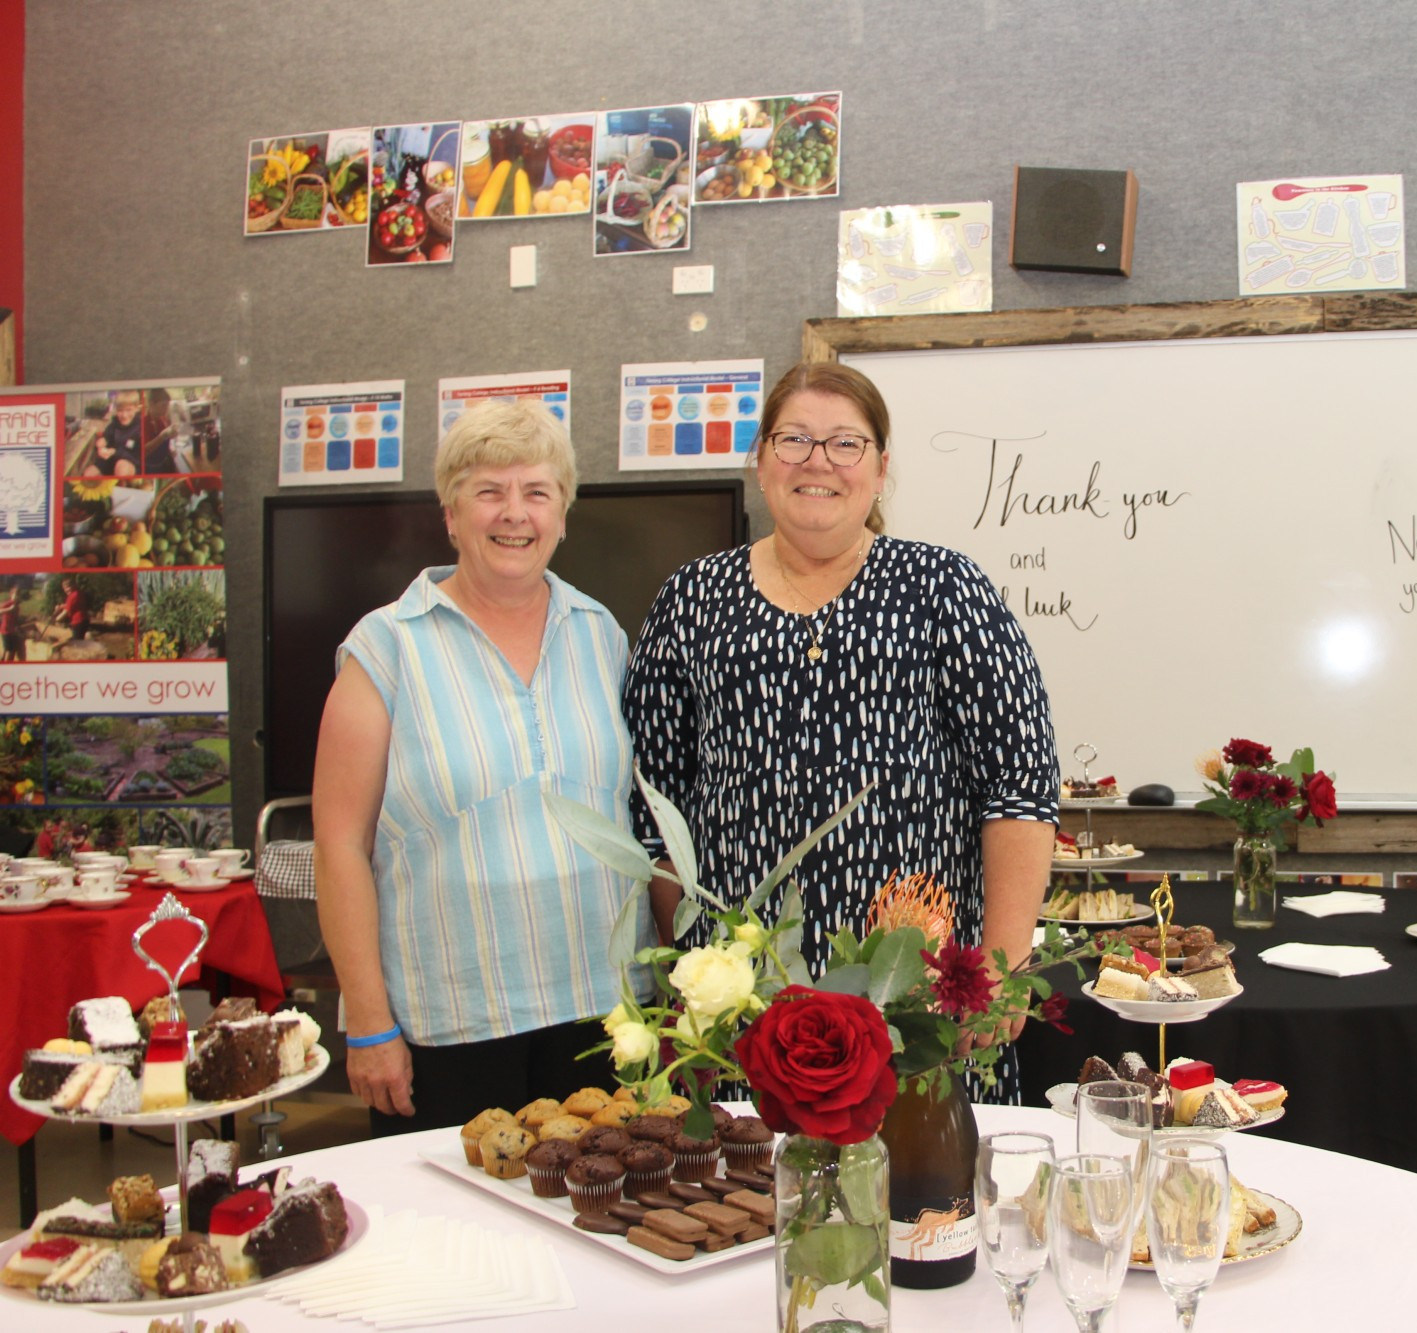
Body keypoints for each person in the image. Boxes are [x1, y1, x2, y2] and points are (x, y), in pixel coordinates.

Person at [622, 362, 1058, 1100]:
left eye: (845, 443)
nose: (817, 460)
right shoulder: (691, 600)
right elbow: (655, 799)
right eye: (794, 439)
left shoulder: (945, 589)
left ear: (882, 469)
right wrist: (695, 960)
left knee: (923, 1205)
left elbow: (1019, 785)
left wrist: (1001, 963)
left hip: (916, 998)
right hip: (750, 1006)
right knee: (751, 1206)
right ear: (760, 461)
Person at [313, 400, 659, 1134]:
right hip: (449, 1024)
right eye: (489, 491)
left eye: (537, 492)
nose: (515, 513)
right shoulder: (385, 649)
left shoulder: (601, 635)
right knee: (455, 1243)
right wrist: (369, 1020)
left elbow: (638, 820)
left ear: (563, 513)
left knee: (596, 1230)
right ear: (451, 512)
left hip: (603, 1013)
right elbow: (340, 846)